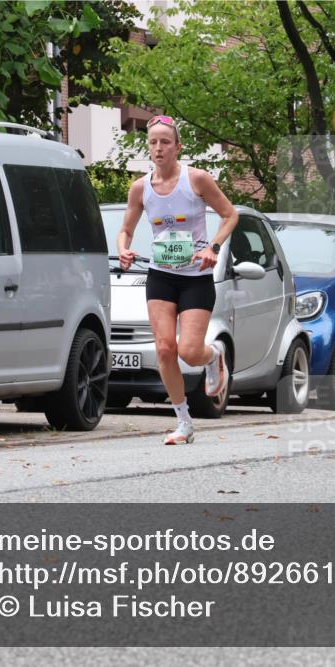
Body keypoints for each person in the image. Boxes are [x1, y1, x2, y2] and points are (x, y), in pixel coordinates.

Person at [117, 115, 239, 444]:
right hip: (161, 275)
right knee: (164, 349)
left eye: (165, 142)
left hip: (196, 276)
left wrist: (213, 247)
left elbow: (231, 215)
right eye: (153, 142)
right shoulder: (140, 187)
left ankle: (213, 356)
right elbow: (126, 229)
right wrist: (124, 249)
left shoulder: (197, 179)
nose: (158, 148)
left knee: (188, 351)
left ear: (177, 147)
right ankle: (183, 421)